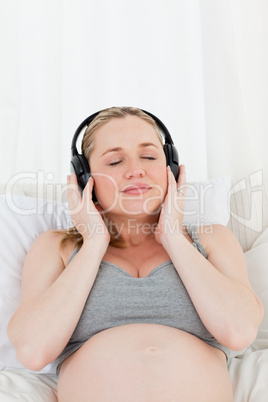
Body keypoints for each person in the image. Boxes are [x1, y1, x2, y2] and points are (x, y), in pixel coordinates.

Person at [8, 107, 264, 402]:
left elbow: (240, 331)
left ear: (172, 167)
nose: (136, 170)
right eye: (115, 161)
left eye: (149, 156)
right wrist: (93, 242)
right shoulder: (58, 248)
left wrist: (172, 236)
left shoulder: (211, 239)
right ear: (84, 177)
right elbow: (33, 351)